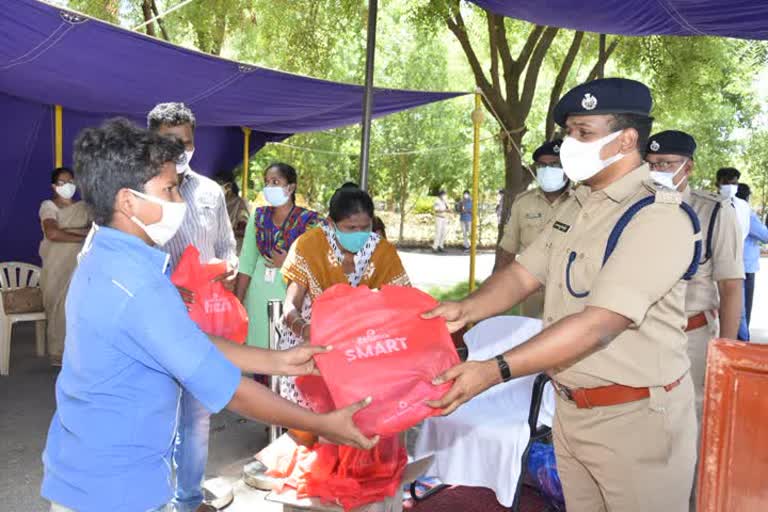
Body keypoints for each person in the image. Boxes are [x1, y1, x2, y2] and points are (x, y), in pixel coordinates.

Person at [40, 118, 375, 512]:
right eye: (167, 190)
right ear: (127, 201)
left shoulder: (105, 256)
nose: (179, 203)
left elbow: (183, 337)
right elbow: (232, 390)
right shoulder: (137, 286)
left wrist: (278, 361)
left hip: (85, 470)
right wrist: (323, 424)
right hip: (117, 489)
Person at [424, 78, 699, 512]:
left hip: (636, 420)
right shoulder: (578, 204)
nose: (571, 143)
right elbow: (521, 275)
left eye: (583, 133)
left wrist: (493, 371)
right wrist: (464, 309)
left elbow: (599, 325)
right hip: (571, 411)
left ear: (626, 139)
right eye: (569, 132)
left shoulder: (657, 217)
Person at [147, 102, 238, 512]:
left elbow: (225, 246)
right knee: (155, 415)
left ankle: (187, 499)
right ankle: (153, 499)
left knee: (197, 418)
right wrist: (165, 284)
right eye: (169, 143)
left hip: (205, 321)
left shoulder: (210, 192)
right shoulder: (137, 191)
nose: (180, 151)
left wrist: (228, 266)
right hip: (153, 323)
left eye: (185, 143)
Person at [279, 183, 410, 408]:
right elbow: (291, 304)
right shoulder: (308, 246)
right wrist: (305, 329)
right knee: (315, 422)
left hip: (365, 347)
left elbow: (403, 303)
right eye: (350, 228)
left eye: (365, 227)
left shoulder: (382, 251)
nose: (359, 234)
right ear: (331, 224)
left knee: (365, 417)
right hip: (314, 345)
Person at [645, 130, 744, 414]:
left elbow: (731, 287)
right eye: (650, 164)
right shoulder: (636, 209)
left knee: (692, 417)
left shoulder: (713, 212)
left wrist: (726, 352)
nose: (656, 171)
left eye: (665, 163)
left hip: (691, 339)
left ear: (687, 167)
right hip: (640, 336)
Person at [235, 163, 319, 350]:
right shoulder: (258, 217)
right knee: (257, 352)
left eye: (275, 182)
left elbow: (317, 264)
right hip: (257, 296)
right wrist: (238, 303)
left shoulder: (310, 222)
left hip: (291, 295)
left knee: (285, 352)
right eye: (267, 182)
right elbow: (247, 262)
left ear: (291, 187)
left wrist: (288, 262)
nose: (269, 187)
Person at [495, 139, 570, 318]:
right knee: (530, 338)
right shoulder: (523, 202)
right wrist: (498, 293)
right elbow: (507, 252)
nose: (548, 170)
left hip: (569, 295)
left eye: (555, 164)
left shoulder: (584, 202)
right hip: (531, 293)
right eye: (542, 165)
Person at [38, 167, 90, 366]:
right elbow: (52, 234)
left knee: (80, 308)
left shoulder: (83, 207)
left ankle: (79, 354)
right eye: (62, 182)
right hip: (56, 269)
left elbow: (96, 230)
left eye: (70, 182)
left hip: (81, 267)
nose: (67, 186)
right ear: (54, 186)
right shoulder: (48, 206)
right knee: (60, 307)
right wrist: (82, 233)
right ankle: (59, 353)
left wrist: (67, 232)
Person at [736, 183, 767, 339]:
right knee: (743, 310)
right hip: (746, 267)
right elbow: (765, 235)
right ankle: (742, 342)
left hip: (733, 263)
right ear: (747, 196)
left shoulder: (729, 208)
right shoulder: (747, 212)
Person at [214, 170, 250, 252]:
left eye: (219, 184)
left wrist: (230, 231)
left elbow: (248, 228)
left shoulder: (240, 203)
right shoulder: (215, 201)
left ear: (228, 186)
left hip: (234, 247)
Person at [716, 167, 750, 240]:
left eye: (734, 183)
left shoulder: (743, 206)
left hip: (737, 246)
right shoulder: (709, 204)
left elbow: (745, 229)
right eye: (726, 183)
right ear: (717, 184)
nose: (730, 186)